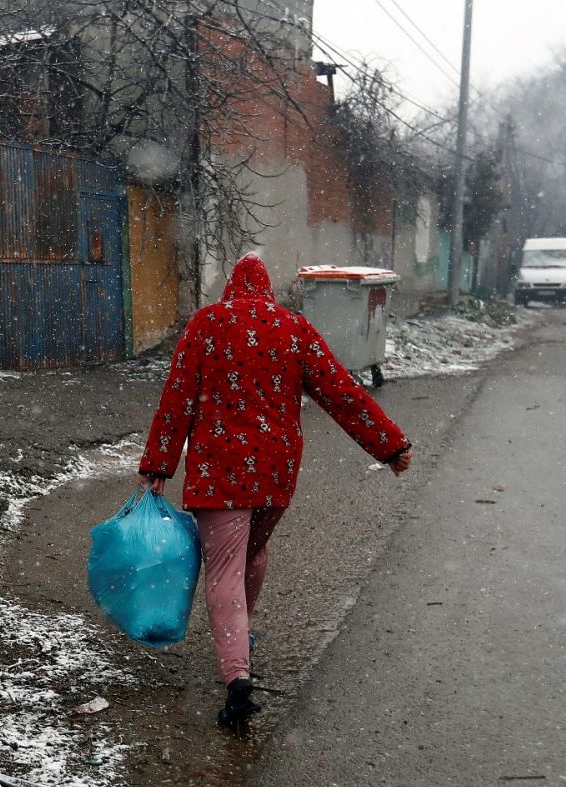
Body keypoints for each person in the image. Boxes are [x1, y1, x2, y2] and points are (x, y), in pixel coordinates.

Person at [137, 253, 412, 735]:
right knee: (253, 550)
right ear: (266, 289)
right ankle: (239, 638)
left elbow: (177, 394)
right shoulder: (293, 328)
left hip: (218, 472)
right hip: (274, 473)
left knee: (222, 566)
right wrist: (389, 446)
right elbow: (340, 391)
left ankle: (236, 677)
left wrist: (159, 464)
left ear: (230, 288)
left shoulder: (206, 324)